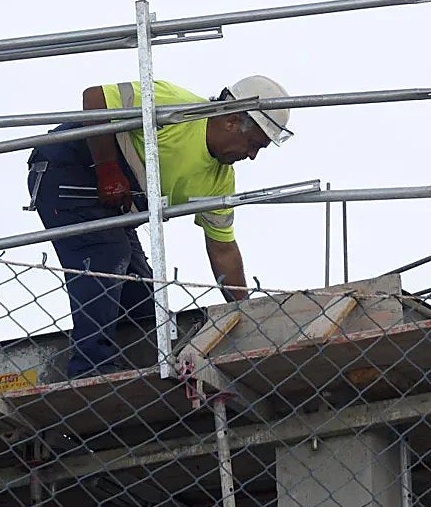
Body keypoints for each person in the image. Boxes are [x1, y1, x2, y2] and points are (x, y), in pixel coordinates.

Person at [26, 76, 292, 378]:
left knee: (143, 301)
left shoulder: (220, 180)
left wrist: (247, 314)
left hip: (113, 202)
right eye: (254, 144)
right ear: (232, 121)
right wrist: (108, 169)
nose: (253, 156)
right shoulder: (176, 107)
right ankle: (91, 370)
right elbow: (95, 97)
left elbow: (223, 250)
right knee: (107, 257)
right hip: (67, 170)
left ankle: (140, 369)